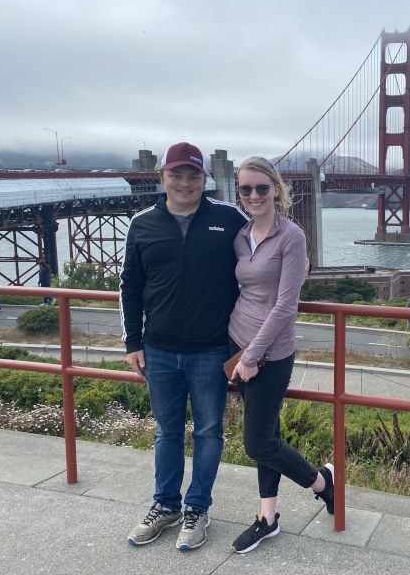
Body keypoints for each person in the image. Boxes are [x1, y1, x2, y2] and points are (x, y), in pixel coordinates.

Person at [120, 142, 248, 551]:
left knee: (209, 431)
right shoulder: (142, 224)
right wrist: (132, 341)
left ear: (204, 179)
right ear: (162, 177)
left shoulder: (230, 218)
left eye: (193, 175)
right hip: (157, 349)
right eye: (176, 174)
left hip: (211, 349)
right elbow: (130, 286)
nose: (185, 182)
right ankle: (165, 505)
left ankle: (197, 508)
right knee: (167, 431)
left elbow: (263, 255)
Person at [226, 156, 334, 554]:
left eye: (261, 188)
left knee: (257, 443)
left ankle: (322, 482)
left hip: (268, 355)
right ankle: (267, 519)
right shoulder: (240, 236)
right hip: (236, 344)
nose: (253, 195)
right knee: (267, 435)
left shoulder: (292, 237)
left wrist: (251, 357)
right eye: (245, 189)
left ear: (276, 189)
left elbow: (286, 306)